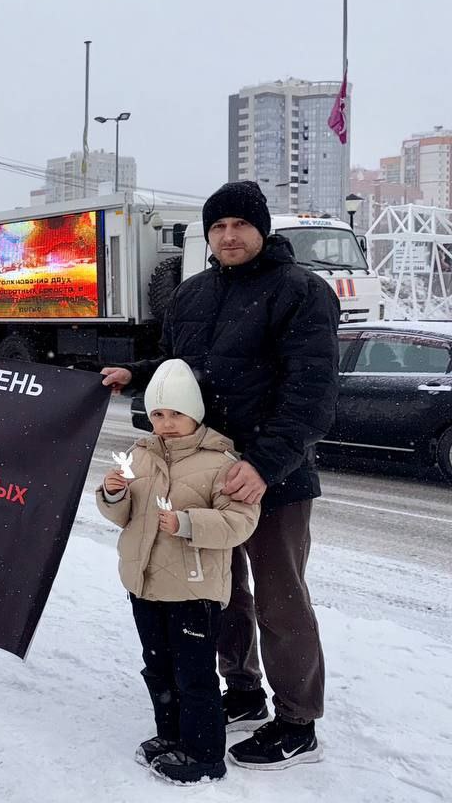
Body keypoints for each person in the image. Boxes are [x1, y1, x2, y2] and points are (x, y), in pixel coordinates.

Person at [100, 180, 338, 770]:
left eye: (240, 225)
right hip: (203, 472)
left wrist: (263, 464)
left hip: (273, 478)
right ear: (207, 235)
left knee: (281, 599)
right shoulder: (192, 296)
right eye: (218, 227)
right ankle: (244, 689)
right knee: (219, 592)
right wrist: (135, 374)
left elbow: (311, 393)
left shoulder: (302, 293)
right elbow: (184, 370)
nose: (229, 236)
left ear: (262, 230)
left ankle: (297, 721)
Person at [96, 359, 259, 785]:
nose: (165, 424)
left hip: (193, 591)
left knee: (194, 676)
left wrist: (188, 524)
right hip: (145, 583)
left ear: (195, 414)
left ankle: (204, 756)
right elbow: (123, 514)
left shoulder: (221, 462)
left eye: (176, 414)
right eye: (158, 414)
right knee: (158, 668)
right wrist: (111, 494)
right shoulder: (139, 454)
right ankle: (171, 737)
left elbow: (240, 522)